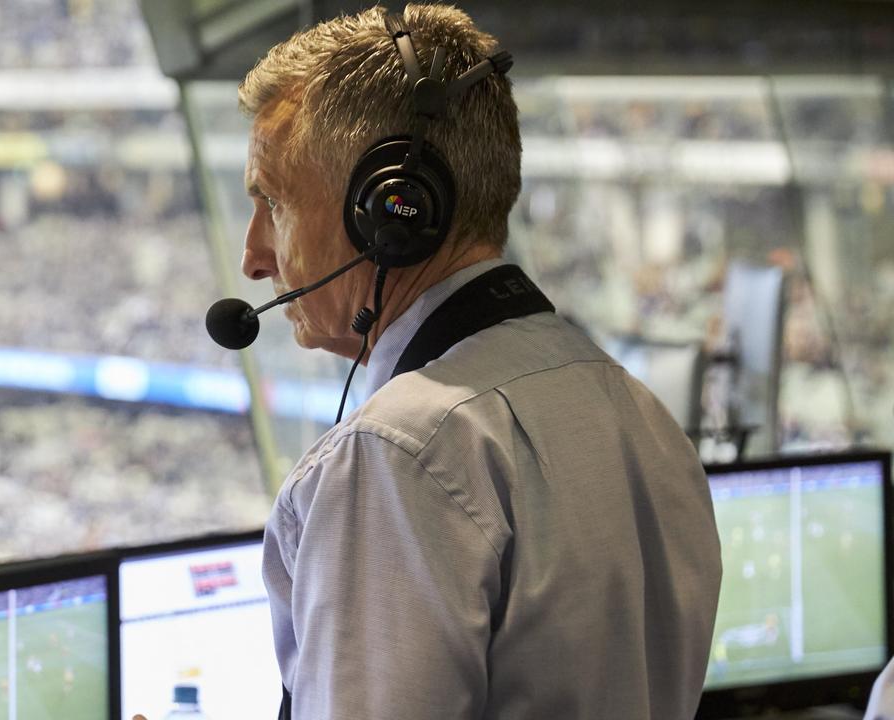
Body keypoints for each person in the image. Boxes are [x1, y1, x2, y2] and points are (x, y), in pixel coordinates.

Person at [237, 5, 722, 719]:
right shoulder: (633, 407)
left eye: (273, 202)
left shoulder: (401, 456)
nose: (253, 257)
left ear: (392, 212)